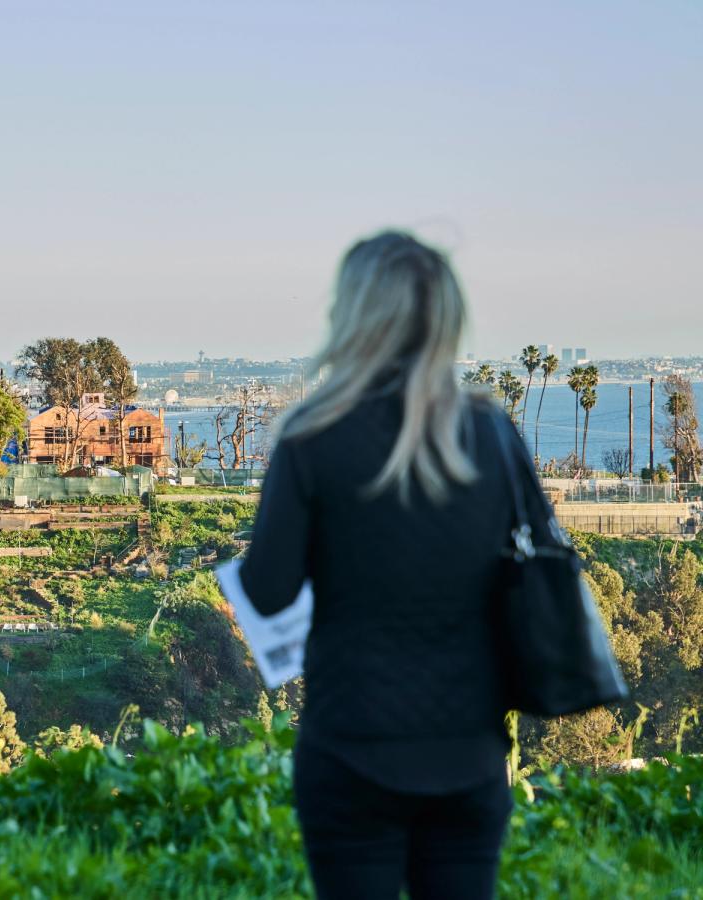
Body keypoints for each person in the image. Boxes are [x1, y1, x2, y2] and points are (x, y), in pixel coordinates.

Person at [236, 232, 552, 899]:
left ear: (353, 316)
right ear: (446, 318)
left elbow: (267, 593)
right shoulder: (492, 434)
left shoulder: (311, 436)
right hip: (468, 753)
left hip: (351, 748)